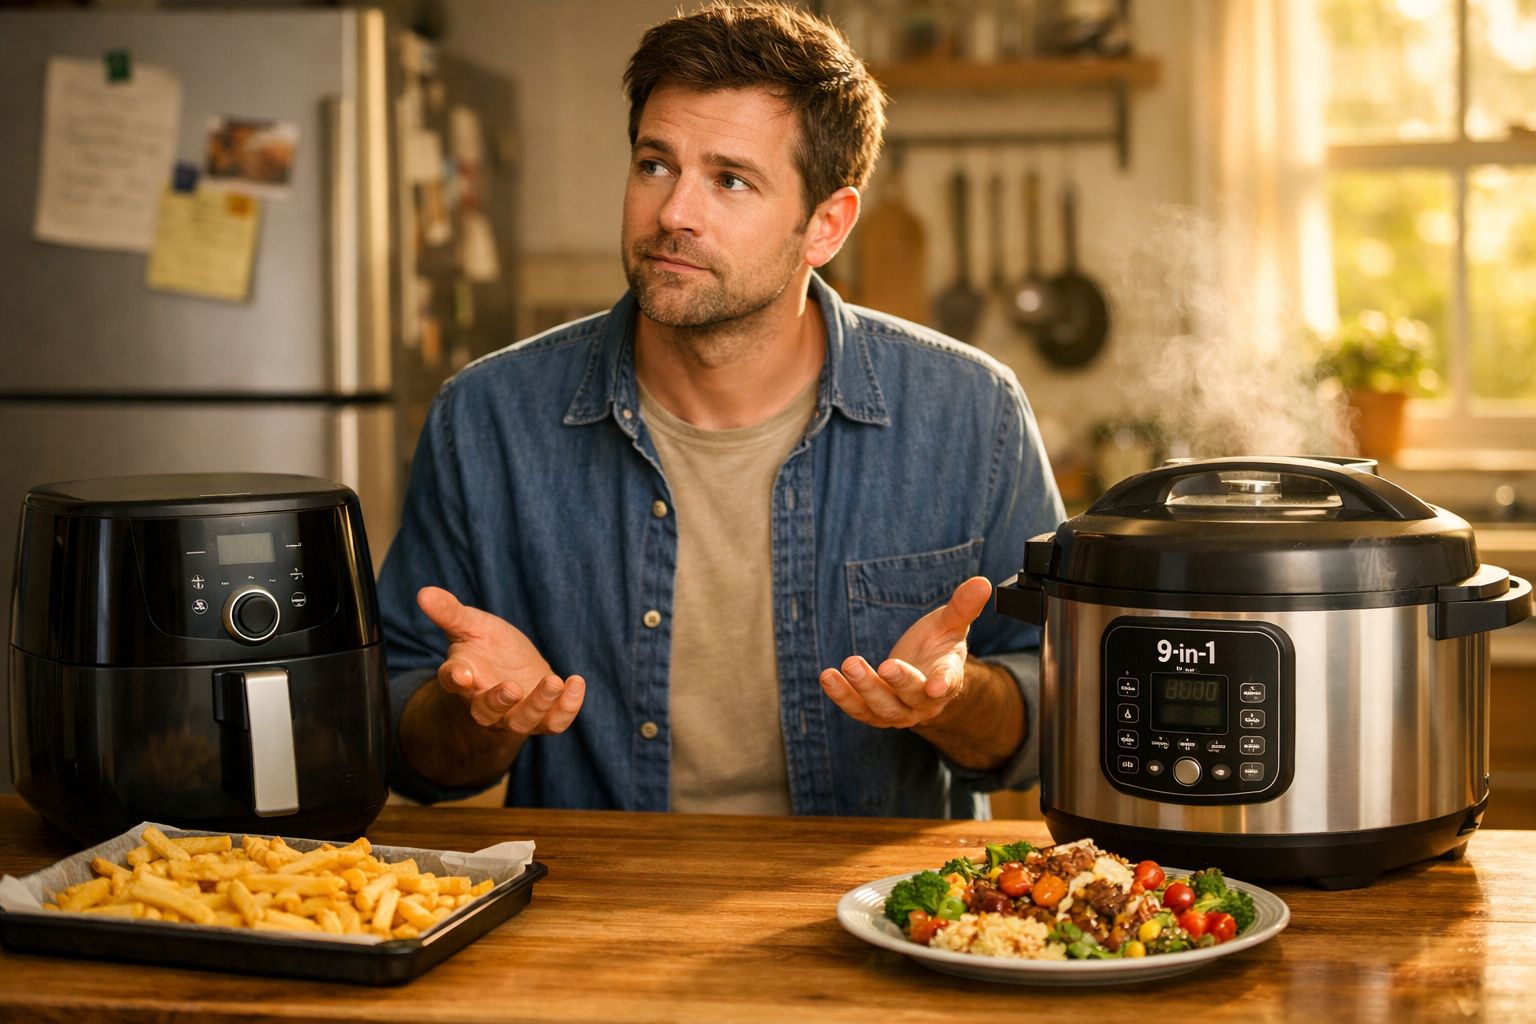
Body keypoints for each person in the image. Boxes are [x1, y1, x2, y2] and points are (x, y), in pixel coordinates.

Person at [377, 0, 1064, 819]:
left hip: (879, 918)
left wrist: (956, 699)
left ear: (827, 226)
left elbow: (1057, 715)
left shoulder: (970, 415)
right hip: (595, 918)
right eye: (655, 164)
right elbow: (404, 745)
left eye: (730, 180)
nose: (673, 213)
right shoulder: (485, 419)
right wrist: (473, 712)